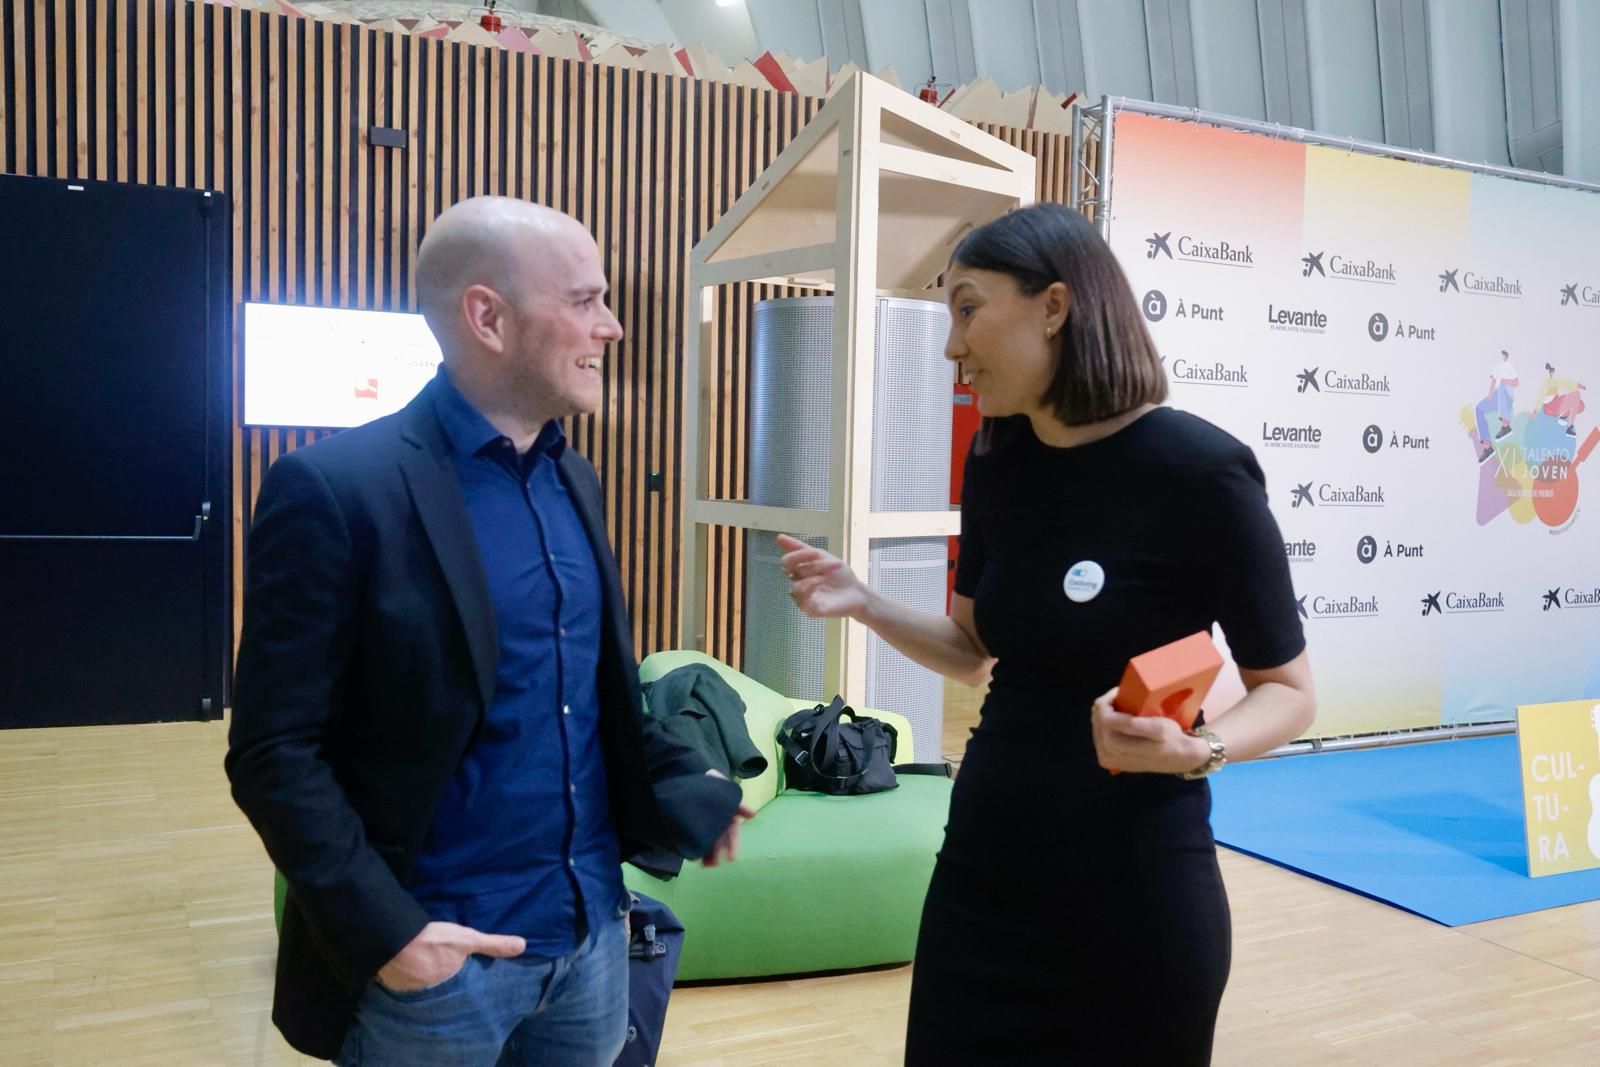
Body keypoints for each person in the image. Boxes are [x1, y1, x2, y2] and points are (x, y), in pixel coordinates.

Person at [777, 202, 1316, 1065]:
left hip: (1136, 892)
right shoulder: (996, 460)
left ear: (1055, 307)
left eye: (967, 308)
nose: (952, 346)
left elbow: (1289, 692)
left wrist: (1198, 749)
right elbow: (972, 651)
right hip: (985, 875)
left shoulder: (1202, 472)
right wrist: (865, 600)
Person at [226, 197, 753, 1066]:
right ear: (488, 316)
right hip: (435, 974)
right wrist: (389, 934)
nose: (612, 326)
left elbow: (583, 695)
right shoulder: (332, 490)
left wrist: (681, 782)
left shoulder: (573, 479)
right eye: (585, 300)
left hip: (590, 942)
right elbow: (273, 751)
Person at [1475, 349, 1520, 461]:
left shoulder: (1511, 366)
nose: (1503, 356)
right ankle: (1487, 446)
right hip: (1497, 394)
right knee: (1479, 408)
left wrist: (1504, 381)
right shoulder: (1498, 366)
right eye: (1502, 354)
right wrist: (1489, 396)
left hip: (1507, 394)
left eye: (1505, 354)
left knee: (1501, 387)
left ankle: (1506, 426)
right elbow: (1494, 381)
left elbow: (1516, 383)